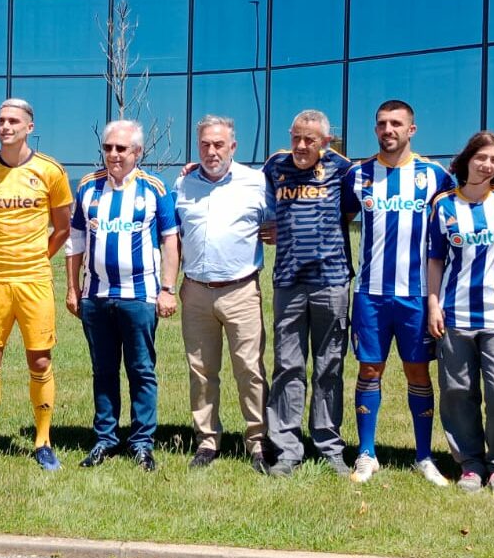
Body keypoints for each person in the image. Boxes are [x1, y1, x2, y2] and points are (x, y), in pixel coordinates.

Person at [342, 99, 455, 486]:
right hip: (371, 294)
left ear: (412, 129)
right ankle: (366, 453)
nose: (388, 129)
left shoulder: (435, 176)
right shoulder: (358, 175)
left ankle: (424, 457)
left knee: (417, 370)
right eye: (381, 124)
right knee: (369, 368)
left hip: (417, 295)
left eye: (396, 123)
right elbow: (338, 217)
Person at [0, 98, 73, 472]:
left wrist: (37, 257)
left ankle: (43, 441)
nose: (5, 126)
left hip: (35, 280)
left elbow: (62, 227)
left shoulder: (51, 171)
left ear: (30, 126)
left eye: (13, 121)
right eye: (0, 120)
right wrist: (0, 254)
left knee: (40, 359)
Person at [65, 121, 179, 472]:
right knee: (103, 370)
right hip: (96, 297)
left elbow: (170, 240)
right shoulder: (88, 187)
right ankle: (105, 439)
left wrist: (167, 289)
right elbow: (75, 242)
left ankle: (142, 442)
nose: (113, 154)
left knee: (141, 370)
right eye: (108, 147)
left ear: (137, 152)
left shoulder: (154, 188)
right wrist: (72, 288)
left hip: (140, 296)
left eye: (121, 149)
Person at [173, 115, 270, 472]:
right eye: (205, 145)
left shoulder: (256, 182)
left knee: (249, 368)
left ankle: (258, 442)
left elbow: (274, 222)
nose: (212, 151)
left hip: (241, 290)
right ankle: (207, 441)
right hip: (196, 291)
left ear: (233, 146)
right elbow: (174, 234)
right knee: (201, 371)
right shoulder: (183, 185)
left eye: (219, 144)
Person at [425, 131, 494, 494]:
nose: (487, 165)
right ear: (467, 159)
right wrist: (433, 303)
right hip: (454, 315)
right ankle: (469, 464)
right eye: (482, 157)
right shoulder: (443, 205)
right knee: (457, 391)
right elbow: (435, 259)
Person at [262, 110, 354, 477]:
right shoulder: (275, 166)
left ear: (326, 142)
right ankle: (286, 448)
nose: (300, 146)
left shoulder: (344, 169)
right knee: (287, 365)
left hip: (331, 281)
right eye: (296, 137)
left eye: (309, 140)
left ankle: (329, 445)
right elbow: (247, 192)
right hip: (287, 280)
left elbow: (349, 213)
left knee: (329, 365)